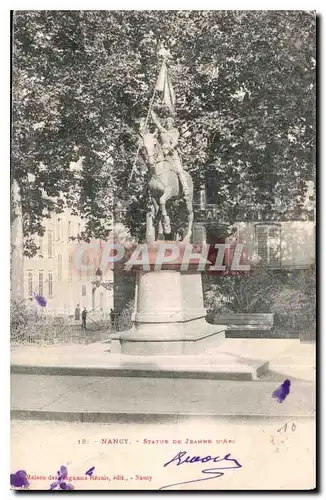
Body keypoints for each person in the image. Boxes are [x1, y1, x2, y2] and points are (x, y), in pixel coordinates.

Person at [151, 109, 190, 200]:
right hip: (162, 155)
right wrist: (151, 111)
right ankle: (146, 189)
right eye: (167, 122)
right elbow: (157, 122)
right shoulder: (163, 131)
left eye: (170, 122)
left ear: (172, 124)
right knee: (152, 167)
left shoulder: (176, 132)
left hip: (172, 154)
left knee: (179, 171)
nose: (168, 123)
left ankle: (185, 189)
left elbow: (175, 142)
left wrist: (169, 148)